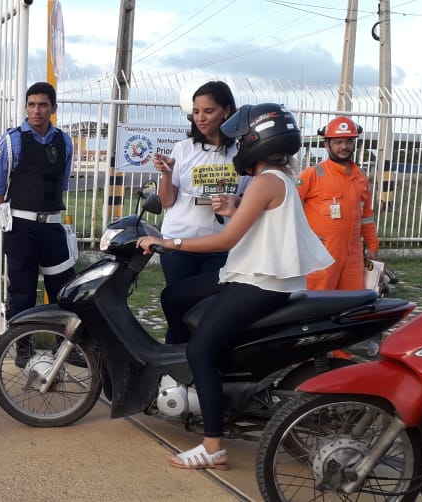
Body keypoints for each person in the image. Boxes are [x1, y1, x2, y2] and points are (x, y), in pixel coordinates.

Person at [138, 103, 333, 470]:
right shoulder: (276, 179)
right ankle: (194, 378)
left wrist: (168, 242)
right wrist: (238, 203)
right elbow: (264, 214)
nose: (238, 145)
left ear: (256, 140)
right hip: (253, 274)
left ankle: (213, 446)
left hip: (260, 282)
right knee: (174, 295)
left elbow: (224, 242)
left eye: (242, 139)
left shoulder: (265, 181)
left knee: (201, 350)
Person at [0, 82, 76, 362]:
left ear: (53, 108)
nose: (36, 110)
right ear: (26, 107)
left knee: (63, 290)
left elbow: (62, 181)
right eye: (31, 104)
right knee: (23, 291)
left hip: (52, 227)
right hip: (22, 228)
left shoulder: (64, 141)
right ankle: (22, 350)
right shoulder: (12, 140)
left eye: (42, 105)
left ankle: (65, 349)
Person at [153, 81, 242, 296]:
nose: (200, 118)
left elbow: (248, 201)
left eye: (208, 111)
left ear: (227, 111)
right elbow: (166, 202)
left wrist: (233, 203)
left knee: (210, 307)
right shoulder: (184, 148)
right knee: (178, 303)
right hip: (179, 243)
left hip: (220, 244)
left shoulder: (241, 152)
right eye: (196, 112)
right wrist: (166, 174)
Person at [298, 116, 380, 290]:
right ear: (327, 145)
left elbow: (366, 217)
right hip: (321, 254)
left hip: (353, 256)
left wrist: (372, 246)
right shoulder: (312, 174)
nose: (344, 146)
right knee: (317, 304)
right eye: (338, 142)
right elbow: (288, 209)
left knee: (350, 306)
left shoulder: (361, 177)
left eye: (349, 141)